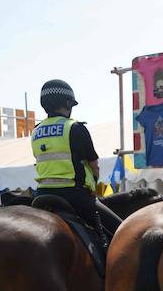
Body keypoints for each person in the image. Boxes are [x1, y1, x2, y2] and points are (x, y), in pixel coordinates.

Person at [32, 79, 122, 239]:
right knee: (122, 232)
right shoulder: (75, 128)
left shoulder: (35, 131)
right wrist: (93, 185)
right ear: (67, 103)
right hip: (75, 196)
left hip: (41, 195)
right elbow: (94, 165)